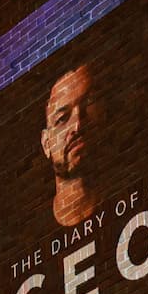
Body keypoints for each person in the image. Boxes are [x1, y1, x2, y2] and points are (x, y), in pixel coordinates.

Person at [40, 62, 107, 230]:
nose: (77, 125)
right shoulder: (27, 235)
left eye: (88, 108)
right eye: (62, 118)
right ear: (46, 144)